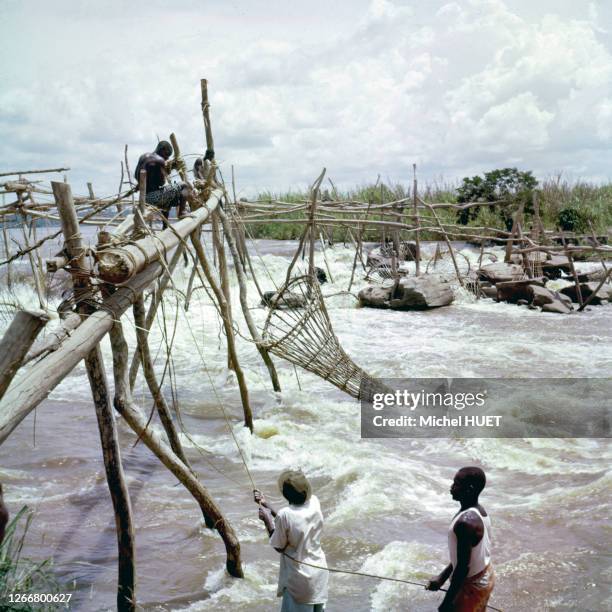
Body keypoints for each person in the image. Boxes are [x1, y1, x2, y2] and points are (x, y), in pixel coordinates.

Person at [254, 470, 328, 612]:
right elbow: (293, 522)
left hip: (299, 580)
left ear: (286, 495)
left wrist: (267, 520)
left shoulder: (284, 515)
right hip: (319, 574)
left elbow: (279, 546)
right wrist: (266, 504)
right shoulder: (314, 502)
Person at [427, 467, 494, 612]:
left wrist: (446, 603)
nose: (451, 487)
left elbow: (463, 569)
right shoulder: (478, 510)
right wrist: (442, 577)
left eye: (456, 484)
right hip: (484, 575)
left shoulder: (465, 523)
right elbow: (464, 557)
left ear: (469, 489)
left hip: (471, 586)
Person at [134, 141, 190, 224]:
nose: (167, 158)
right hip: (153, 198)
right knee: (184, 185)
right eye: (167, 155)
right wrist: (166, 171)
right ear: (163, 150)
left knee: (168, 195)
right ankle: (182, 212)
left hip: (143, 197)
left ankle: (165, 226)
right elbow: (161, 182)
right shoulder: (160, 161)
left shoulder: (143, 156)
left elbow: (136, 175)